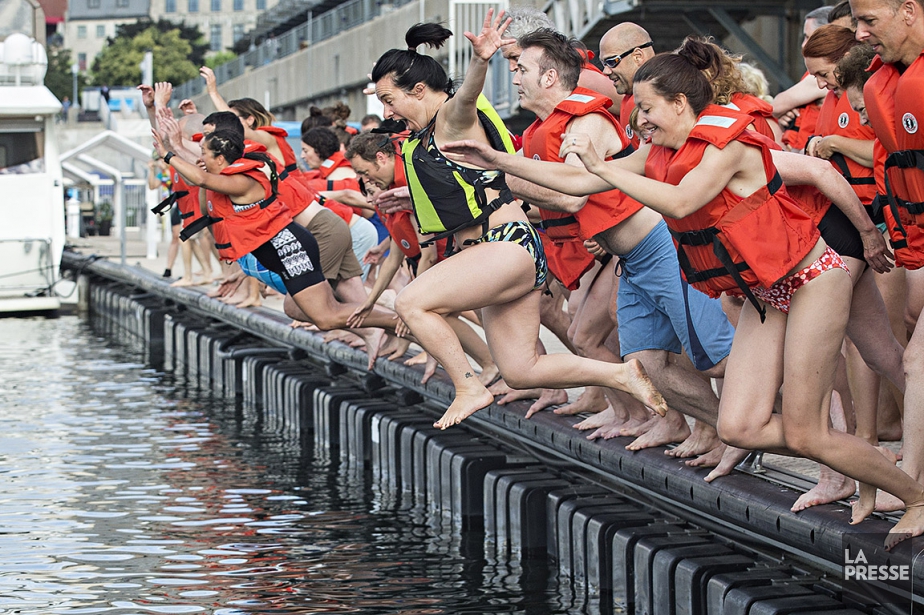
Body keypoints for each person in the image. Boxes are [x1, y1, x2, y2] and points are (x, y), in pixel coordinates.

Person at [443, 38, 924, 546]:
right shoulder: (658, 153)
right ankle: (856, 460)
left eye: (647, 109)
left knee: (809, 429)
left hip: (811, 281)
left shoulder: (728, 145)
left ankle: (910, 493)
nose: (640, 121)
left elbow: (680, 202)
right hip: (767, 293)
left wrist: (603, 167)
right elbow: (572, 181)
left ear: (679, 103)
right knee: (740, 427)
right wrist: (497, 160)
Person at [370, 13, 667, 429]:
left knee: (411, 302)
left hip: (505, 244)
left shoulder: (449, 116)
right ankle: (619, 374)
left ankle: (468, 386)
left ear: (419, 90)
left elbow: (466, 97)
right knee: (521, 369)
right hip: (498, 250)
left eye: (389, 99)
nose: (388, 111)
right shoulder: (421, 133)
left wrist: (480, 62)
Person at [506, 28, 736, 457]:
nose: (514, 78)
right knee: (647, 365)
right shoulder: (543, 129)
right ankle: (724, 430)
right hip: (629, 258)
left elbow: (572, 195)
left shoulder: (585, 120)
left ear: (551, 76)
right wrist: (505, 172)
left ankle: (769, 420)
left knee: (717, 358)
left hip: (658, 246)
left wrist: (505, 175)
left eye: (520, 69)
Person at [153, 125, 401, 369]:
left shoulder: (242, 180)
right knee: (333, 306)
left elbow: (200, 176)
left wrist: (169, 152)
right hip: (298, 244)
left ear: (220, 157)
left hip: (303, 244)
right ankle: (395, 327)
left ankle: (400, 321)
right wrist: (173, 144)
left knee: (318, 313)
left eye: (204, 153)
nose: (200, 158)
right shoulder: (225, 178)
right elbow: (202, 187)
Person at [854, 0, 924, 514]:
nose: (859, 33)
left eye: (868, 21)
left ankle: (912, 484)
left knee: (917, 357)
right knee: (915, 353)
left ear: (908, 11)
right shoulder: (890, 81)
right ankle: (912, 480)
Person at [597, 22, 657, 149]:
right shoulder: (629, 97)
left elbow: (653, 159)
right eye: (603, 63)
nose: (605, 71)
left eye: (612, 61)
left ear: (638, 57)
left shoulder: (666, 95)